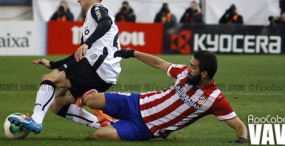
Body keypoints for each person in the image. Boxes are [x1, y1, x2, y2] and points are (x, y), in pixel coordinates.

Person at [9, 0, 121, 133]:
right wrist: (53, 64)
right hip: (104, 73)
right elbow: (78, 56)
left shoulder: (97, 9)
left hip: (98, 67)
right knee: (57, 104)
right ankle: (104, 125)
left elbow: (106, 24)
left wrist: (86, 43)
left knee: (49, 79)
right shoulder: (91, 19)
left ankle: (36, 120)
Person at [78, 49, 248, 142]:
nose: (188, 69)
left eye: (193, 67)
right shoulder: (183, 73)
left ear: (204, 74)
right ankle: (106, 116)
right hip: (137, 102)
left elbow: (239, 126)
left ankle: (108, 121)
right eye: (190, 65)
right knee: (90, 99)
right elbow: (159, 63)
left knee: (99, 136)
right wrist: (133, 53)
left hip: (146, 127)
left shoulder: (214, 99)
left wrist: (241, 140)